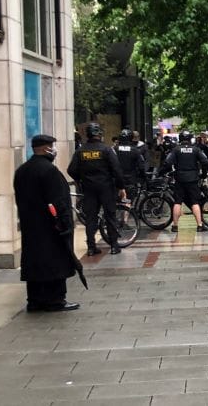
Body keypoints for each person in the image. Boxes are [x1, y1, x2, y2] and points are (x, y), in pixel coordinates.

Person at [14, 134, 80, 312]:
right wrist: (65, 224)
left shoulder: (22, 170)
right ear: (46, 149)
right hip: (51, 226)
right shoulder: (49, 171)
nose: (54, 150)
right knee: (55, 261)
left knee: (34, 261)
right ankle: (55, 300)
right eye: (52, 146)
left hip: (30, 226)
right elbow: (58, 201)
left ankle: (35, 300)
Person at [67, 122, 125, 256]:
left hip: (89, 189)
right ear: (99, 134)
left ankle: (91, 247)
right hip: (106, 188)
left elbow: (71, 170)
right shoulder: (106, 150)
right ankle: (114, 246)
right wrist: (121, 187)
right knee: (110, 216)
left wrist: (80, 179)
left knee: (91, 218)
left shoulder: (80, 151)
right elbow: (117, 170)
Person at [163, 130, 208, 232]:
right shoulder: (196, 149)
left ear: (180, 139)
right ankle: (200, 225)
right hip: (193, 178)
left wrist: (165, 171)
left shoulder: (176, 150)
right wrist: (204, 174)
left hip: (179, 178)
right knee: (195, 202)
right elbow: (205, 161)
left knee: (178, 202)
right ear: (190, 139)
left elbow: (167, 162)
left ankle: (175, 226)